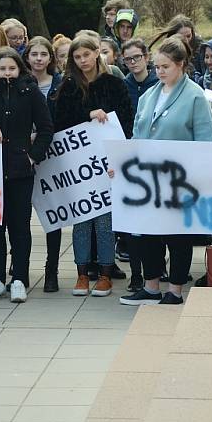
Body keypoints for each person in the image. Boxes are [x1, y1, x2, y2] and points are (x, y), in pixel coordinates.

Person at [116, 35, 212, 306]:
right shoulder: (148, 95)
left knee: (178, 235)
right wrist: (121, 164)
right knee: (147, 233)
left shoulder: (194, 96)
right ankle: (151, 286)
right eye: (157, 66)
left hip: (181, 179)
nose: (159, 71)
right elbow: (136, 134)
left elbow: (206, 138)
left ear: (181, 65)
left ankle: (175, 290)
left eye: (165, 66)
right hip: (149, 179)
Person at [53, 35, 134, 297]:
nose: (82, 61)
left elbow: (126, 118)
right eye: (77, 57)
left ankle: (106, 273)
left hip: (107, 161)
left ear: (97, 52)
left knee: (104, 220)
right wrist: (87, 116)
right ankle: (81, 273)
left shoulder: (114, 83)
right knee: (81, 220)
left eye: (86, 55)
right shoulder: (68, 86)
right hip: (79, 165)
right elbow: (60, 122)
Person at [0, 47, 53, 303]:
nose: (7, 73)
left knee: (19, 227)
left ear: (20, 69)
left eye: (12, 69)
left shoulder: (31, 92)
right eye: (2, 69)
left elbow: (46, 128)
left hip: (20, 170)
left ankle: (19, 278)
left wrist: (32, 156)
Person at [23, 36, 63, 292]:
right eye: (34, 54)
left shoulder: (61, 84)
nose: (38, 59)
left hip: (54, 154)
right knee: (20, 216)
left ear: (51, 58)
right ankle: (21, 269)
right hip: (23, 155)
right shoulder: (19, 83)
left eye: (43, 54)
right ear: (27, 57)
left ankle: (52, 270)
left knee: (54, 213)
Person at [120, 38, 159, 292]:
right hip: (130, 157)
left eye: (137, 57)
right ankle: (136, 273)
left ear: (146, 57)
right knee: (132, 222)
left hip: (155, 157)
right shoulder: (123, 86)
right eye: (128, 59)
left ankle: (156, 268)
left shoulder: (159, 84)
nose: (133, 63)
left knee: (156, 219)